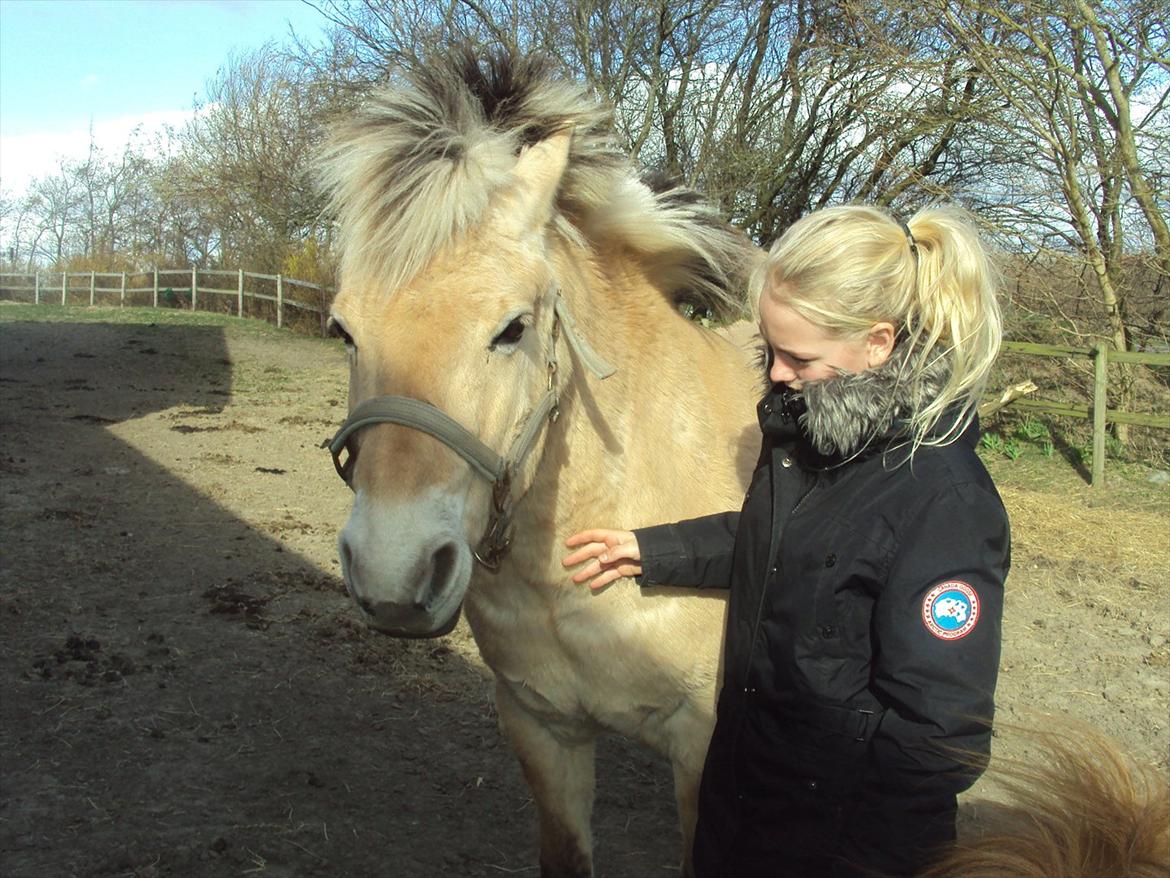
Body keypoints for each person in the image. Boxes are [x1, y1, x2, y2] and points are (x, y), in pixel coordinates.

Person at [562, 204, 1010, 878]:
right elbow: (778, 541)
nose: (774, 373)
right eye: (768, 350)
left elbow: (937, 736)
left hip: (835, 847)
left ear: (878, 344)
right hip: (747, 805)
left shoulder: (945, 502)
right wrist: (651, 549)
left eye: (798, 356)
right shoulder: (807, 436)